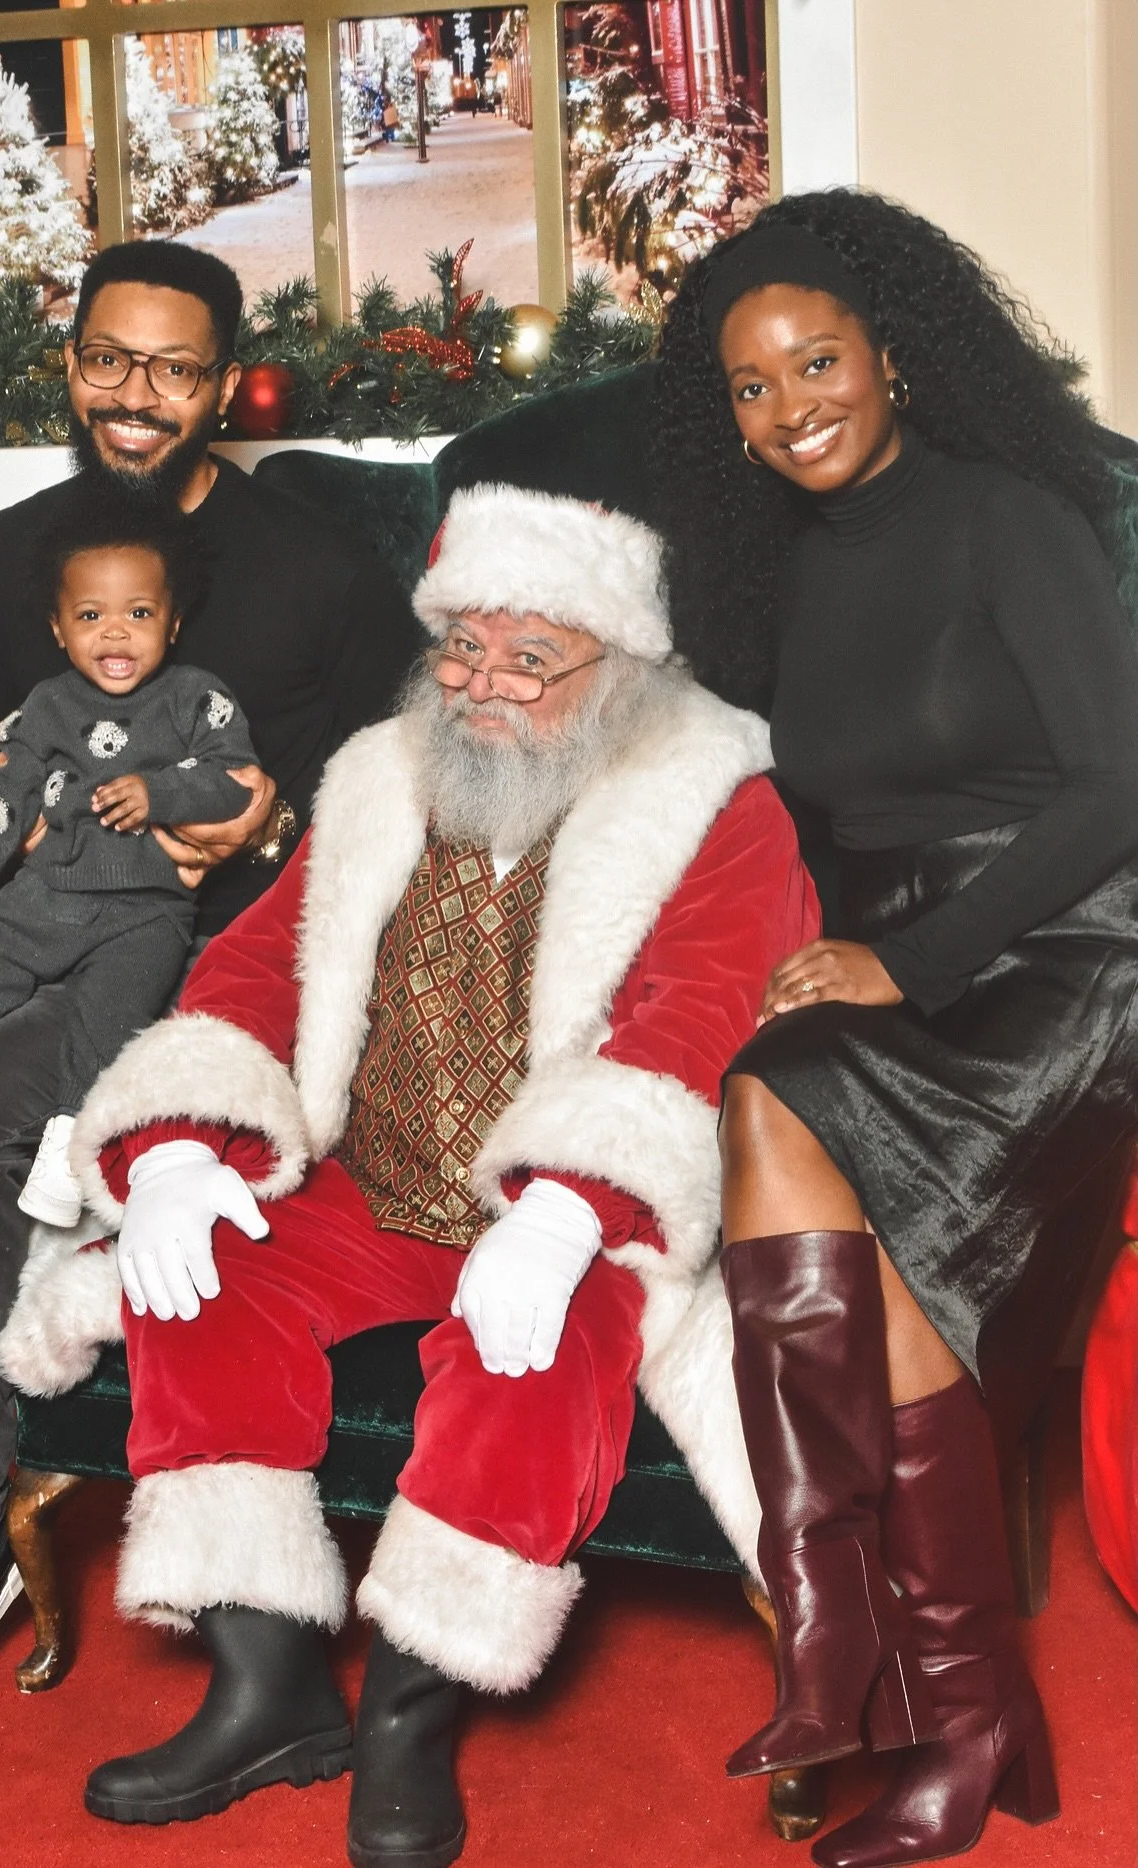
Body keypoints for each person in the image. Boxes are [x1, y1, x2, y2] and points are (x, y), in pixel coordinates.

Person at [0, 483, 818, 1865]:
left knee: (537, 1350)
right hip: (368, 1179)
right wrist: (183, 1143)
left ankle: (409, 1716)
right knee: (196, 1275)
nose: (481, 684)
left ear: (618, 674)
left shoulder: (717, 801)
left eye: (527, 658)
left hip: (557, 1208)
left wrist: (569, 1211)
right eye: (460, 646)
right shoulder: (381, 776)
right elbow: (260, 963)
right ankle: (268, 1689)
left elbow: (706, 1016)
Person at [0, 240, 419, 1728]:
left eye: (175, 370)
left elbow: (404, 777)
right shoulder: (5, 557)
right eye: (110, 359)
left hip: (202, 959)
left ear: (221, 385)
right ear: (70, 362)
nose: (136, 397)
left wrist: (273, 821)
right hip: (26, 923)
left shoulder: (315, 567)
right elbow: (11, 759)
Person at [652, 191, 1138, 1868]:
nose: (791, 408)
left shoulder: (1015, 521)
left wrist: (910, 961)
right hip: (907, 957)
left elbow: (1118, 787)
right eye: (750, 386)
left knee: (869, 1202)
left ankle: (926, 1701)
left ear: (892, 358)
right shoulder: (771, 576)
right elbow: (825, 827)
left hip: (1075, 949)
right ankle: (865, 1650)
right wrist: (834, 954)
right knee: (767, 1097)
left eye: (817, 361)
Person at [0, 499, 258, 1227]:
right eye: (90, 616)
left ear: (171, 622)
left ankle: (68, 1147)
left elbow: (233, 783)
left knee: (108, 1026)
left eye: (138, 614)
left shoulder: (196, 699)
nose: (114, 632)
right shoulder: (46, 706)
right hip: (46, 896)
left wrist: (161, 791)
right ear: (59, 629)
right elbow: (3, 791)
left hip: (146, 912)